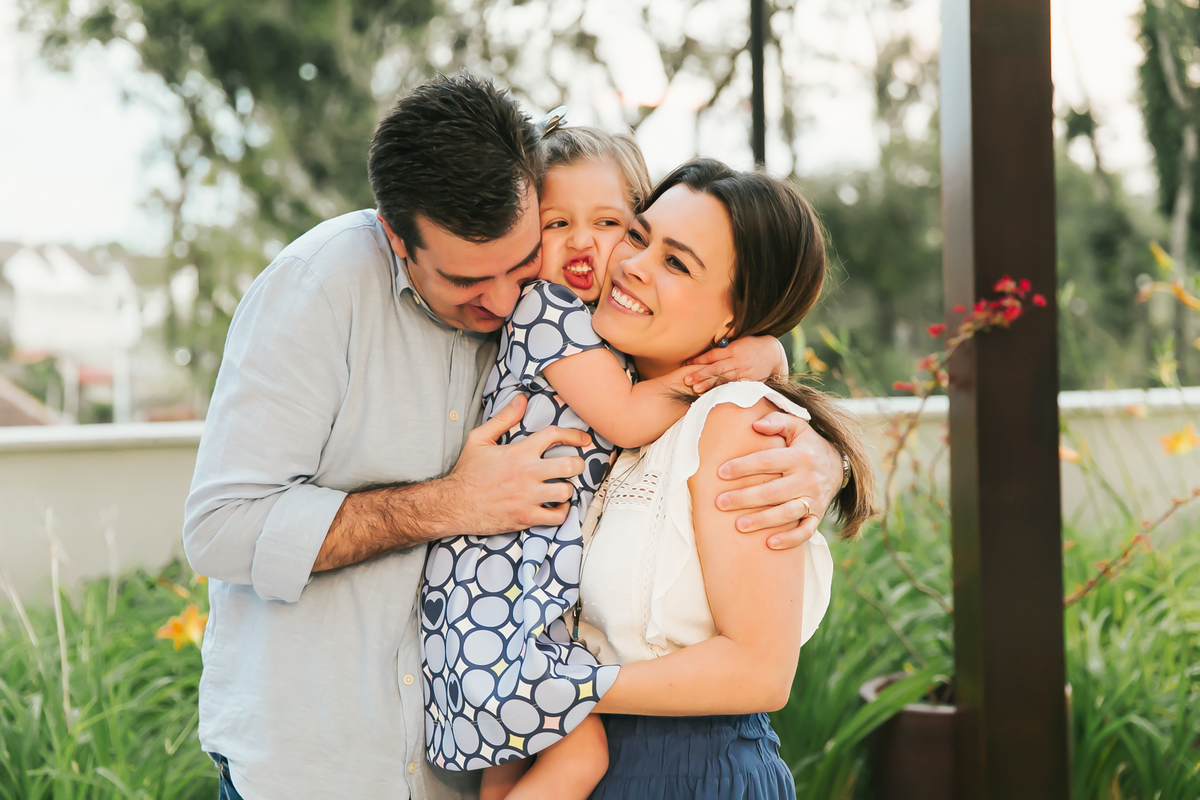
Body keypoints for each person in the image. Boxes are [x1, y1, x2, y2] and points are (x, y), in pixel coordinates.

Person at [183, 74, 843, 800]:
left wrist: (800, 415)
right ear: (397, 236)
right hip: (325, 768)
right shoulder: (323, 288)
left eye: (520, 262)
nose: (502, 302)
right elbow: (219, 528)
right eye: (467, 279)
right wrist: (448, 504)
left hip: (484, 763)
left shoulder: (600, 329)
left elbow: (705, 356)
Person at [419, 125, 790, 799]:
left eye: (612, 224)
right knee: (558, 759)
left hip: (679, 755)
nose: (593, 247)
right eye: (557, 224)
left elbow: (763, 670)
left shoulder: (720, 413)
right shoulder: (555, 317)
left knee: (521, 772)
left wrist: (763, 362)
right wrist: (724, 368)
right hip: (509, 588)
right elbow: (624, 414)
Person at [502, 159, 878, 800]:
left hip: (690, 772)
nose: (632, 265)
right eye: (639, 236)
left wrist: (551, 690)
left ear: (734, 318)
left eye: (676, 263)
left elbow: (760, 671)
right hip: (586, 764)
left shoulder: (735, 423)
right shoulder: (604, 401)